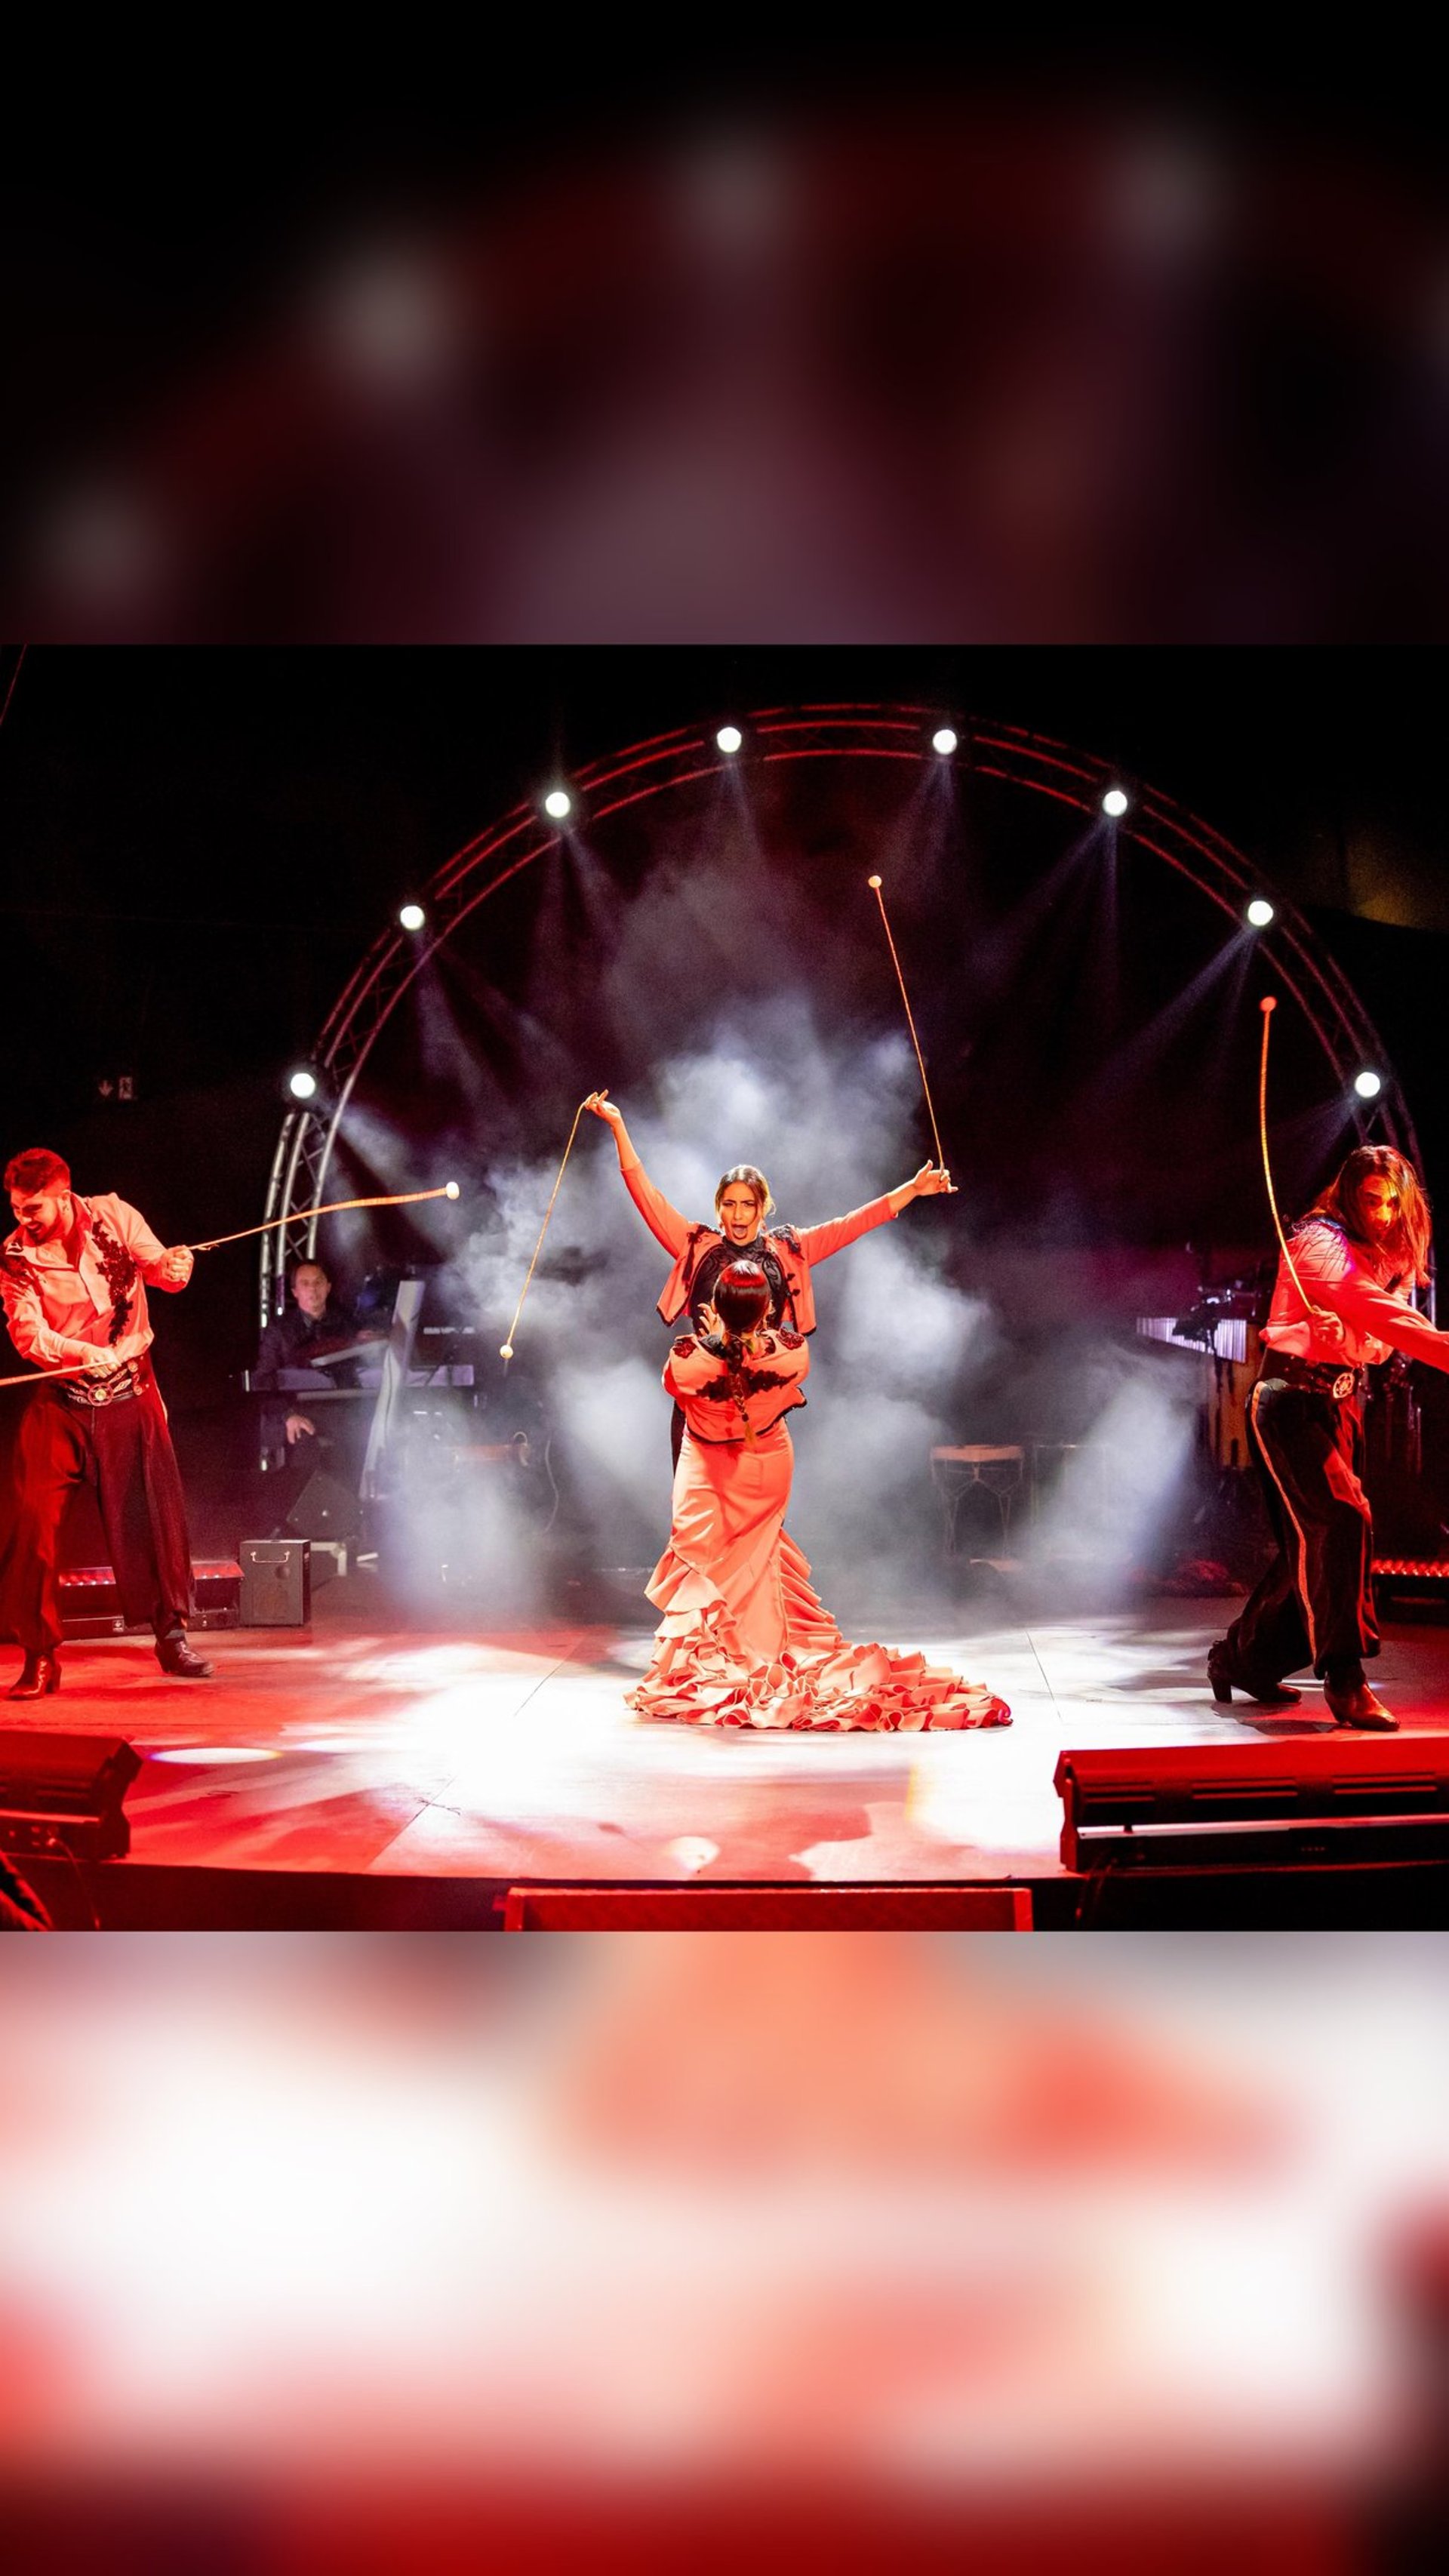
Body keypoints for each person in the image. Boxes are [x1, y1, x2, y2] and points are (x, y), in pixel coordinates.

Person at [629, 1258, 1010, 1732]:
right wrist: (743, 1333)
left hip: (706, 1467)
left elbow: (685, 1389)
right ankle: (759, 1650)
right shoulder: (791, 1352)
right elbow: (760, 1360)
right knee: (757, 1557)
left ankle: (712, 1661)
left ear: (715, 1306)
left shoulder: (686, 1359)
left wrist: (714, 1337)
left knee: (702, 1560)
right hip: (765, 1464)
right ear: (768, 1309)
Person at [1209, 1145, 1449, 1731]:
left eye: (1395, 1203)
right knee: (1343, 1520)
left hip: (1341, 1404)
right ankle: (1343, 1677)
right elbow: (1388, 1320)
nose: (1386, 1214)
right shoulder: (1320, 1243)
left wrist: (1352, 1336)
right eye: (1373, 1200)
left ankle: (1241, 1659)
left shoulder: (1386, 1254)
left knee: (1318, 1545)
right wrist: (1359, 1328)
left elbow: (1380, 1342)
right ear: (1349, 1195)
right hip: (1289, 1401)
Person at [584, 1088, 953, 1460]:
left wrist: (913, 1189)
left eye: (748, 1205)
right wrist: (618, 1127)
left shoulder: (788, 1250)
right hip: (703, 1403)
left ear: (763, 1210)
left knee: (758, 1514)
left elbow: (852, 1224)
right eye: (730, 1204)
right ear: (719, 1210)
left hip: (761, 1405)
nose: (739, 1214)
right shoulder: (696, 1245)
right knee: (698, 1515)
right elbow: (646, 1195)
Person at [0, 1146, 211, 1698]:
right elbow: (26, 1334)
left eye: (35, 1208)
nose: (24, 1220)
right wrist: (75, 1351)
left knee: (151, 1518)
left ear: (64, 1196)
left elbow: (161, 1271)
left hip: (129, 1394)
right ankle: (40, 1655)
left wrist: (175, 1269)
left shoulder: (115, 1216)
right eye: (18, 1208)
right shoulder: (16, 1256)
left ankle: (171, 1636)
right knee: (31, 1521)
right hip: (63, 1398)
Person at [254, 1258, 374, 1454]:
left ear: (328, 1287)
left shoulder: (346, 1324)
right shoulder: (278, 1329)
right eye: (305, 1284)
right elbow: (263, 1380)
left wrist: (368, 1345)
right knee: (305, 1442)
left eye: (318, 1283)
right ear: (295, 1292)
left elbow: (360, 1373)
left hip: (338, 1412)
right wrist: (288, 1415)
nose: (313, 1289)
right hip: (295, 1411)